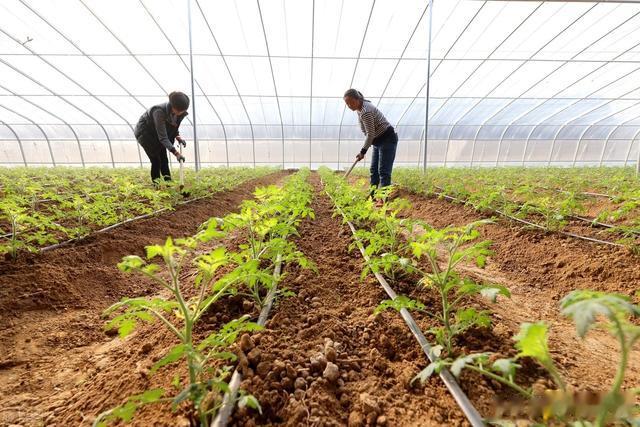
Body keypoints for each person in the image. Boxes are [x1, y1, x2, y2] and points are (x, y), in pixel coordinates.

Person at [343, 89, 398, 197]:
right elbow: (370, 133)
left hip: (387, 139)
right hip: (378, 142)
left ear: (357, 99)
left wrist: (363, 151)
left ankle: (383, 198)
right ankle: (372, 194)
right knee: (374, 170)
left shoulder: (365, 111)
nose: (349, 105)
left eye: (351, 102)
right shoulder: (360, 108)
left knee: (383, 171)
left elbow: (370, 133)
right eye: (347, 103)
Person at [134, 91, 189, 184]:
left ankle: (168, 183)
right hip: (146, 134)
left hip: (157, 134)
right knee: (156, 160)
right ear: (173, 106)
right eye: (179, 110)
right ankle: (157, 185)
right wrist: (176, 153)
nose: (181, 113)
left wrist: (177, 136)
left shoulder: (179, 113)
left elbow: (173, 126)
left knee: (164, 159)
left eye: (183, 110)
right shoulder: (159, 112)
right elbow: (163, 137)